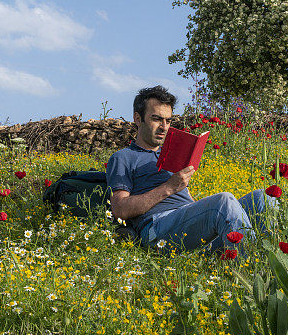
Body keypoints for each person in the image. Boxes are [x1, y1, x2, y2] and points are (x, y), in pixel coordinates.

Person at [105, 85, 278, 255]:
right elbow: (120, 209)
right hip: (157, 230)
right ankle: (255, 271)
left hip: (189, 230)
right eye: (156, 119)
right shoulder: (123, 157)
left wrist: (201, 210)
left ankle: (267, 259)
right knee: (223, 201)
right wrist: (169, 187)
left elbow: (186, 202)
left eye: (168, 120)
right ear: (137, 118)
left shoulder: (171, 154)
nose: (164, 127)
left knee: (263, 198)